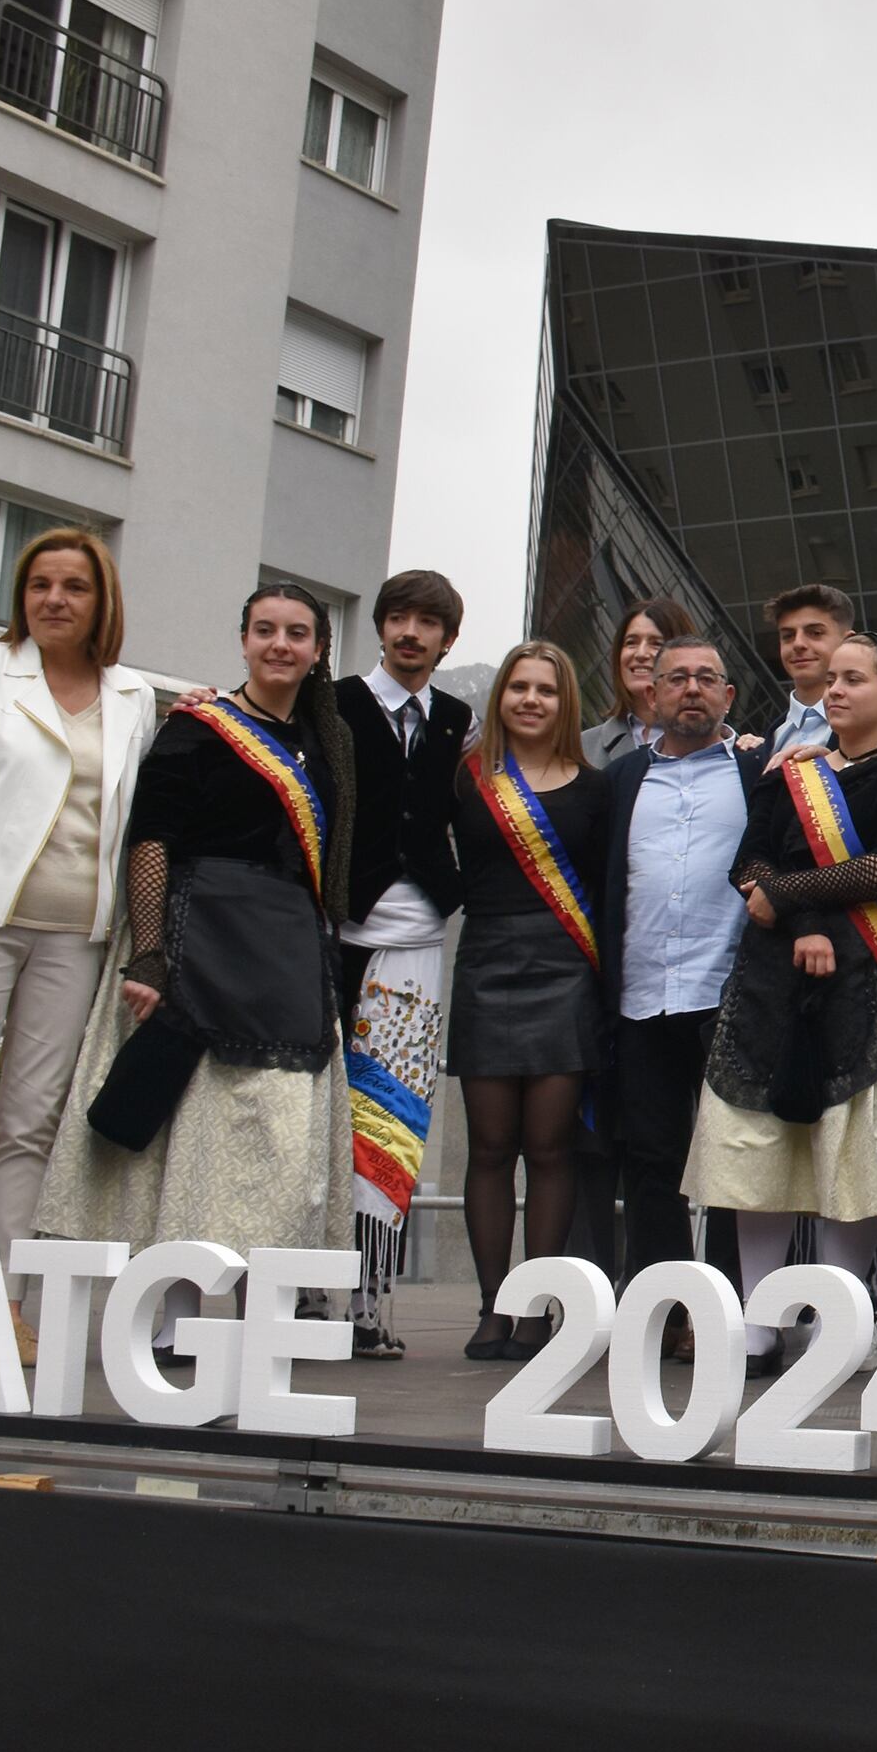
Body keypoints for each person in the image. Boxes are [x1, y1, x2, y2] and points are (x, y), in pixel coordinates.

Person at [40, 584, 356, 1289]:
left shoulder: (330, 742)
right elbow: (152, 840)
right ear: (243, 640)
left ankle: (260, 1319)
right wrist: (149, 956)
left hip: (289, 962)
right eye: (265, 630)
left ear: (318, 649)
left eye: (297, 633)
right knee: (182, 1143)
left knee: (280, 1143)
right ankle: (166, 1319)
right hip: (197, 947)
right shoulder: (196, 728)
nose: (280, 645)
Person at [0, 529, 159, 1344]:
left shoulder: (134, 696)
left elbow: (138, 820)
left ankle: (2, 1307)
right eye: (40, 584)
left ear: (101, 601)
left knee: (32, 1125)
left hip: (75, 937)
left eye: (74, 586)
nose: (54, 599)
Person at [685, 631, 877, 1367]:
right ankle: (758, 1322)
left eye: (853, 679)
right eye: (831, 678)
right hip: (770, 980)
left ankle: (842, 1320)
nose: (834, 690)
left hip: (866, 980)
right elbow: (749, 863)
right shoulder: (792, 772)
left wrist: (788, 898)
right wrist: (801, 916)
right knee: (759, 1148)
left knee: (849, 1152)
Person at [449, 641, 612, 1360]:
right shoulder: (466, 778)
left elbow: (607, 889)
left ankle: (535, 1307)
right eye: (519, 687)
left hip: (566, 969)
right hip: (486, 963)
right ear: (501, 697)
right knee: (490, 1147)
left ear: (564, 701)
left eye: (545, 689)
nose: (531, 700)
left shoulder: (596, 789)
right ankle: (492, 1307)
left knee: (549, 1147)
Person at [598, 635, 757, 1343]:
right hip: (640, 998)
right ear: (652, 693)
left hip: (730, 997)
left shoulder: (759, 771)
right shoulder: (620, 780)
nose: (691, 689)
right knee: (650, 1162)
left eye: (706, 678)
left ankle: (722, 1318)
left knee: (731, 1163)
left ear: (728, 695)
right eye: (676, 678)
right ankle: (663, 1317)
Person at [330, 569, 474, 1358]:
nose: (410, 632)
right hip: (332, 934)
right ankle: (300, 1290)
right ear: (380, 626)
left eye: (427, 622)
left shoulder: (457, 720)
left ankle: (368, 1300)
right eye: (398, 618)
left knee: (392, 1121)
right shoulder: (334, 706)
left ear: (447, 639)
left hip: (418, 939)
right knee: (319, 1117)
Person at [583, 596, 700, 767]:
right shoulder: (582, 748)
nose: (641, 654)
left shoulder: (718, 743)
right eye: (631, 643)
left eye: (656, 643)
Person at [759, 583, 856, 754]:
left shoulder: (875, 728)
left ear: (847, 642)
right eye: (788, 636)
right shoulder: (766, 742)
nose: (798, 644)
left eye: (815, 633)